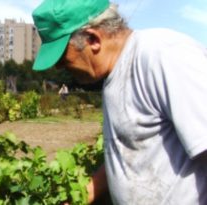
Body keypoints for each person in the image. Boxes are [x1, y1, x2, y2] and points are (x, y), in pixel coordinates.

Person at [31, 0, 207, 204]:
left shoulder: (163, 55)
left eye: (62, 58)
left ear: (93, 39)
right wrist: (79, 197)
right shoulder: (113, 75)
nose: (60, 67)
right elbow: (128, 156)